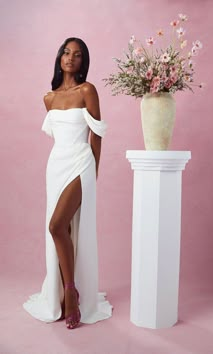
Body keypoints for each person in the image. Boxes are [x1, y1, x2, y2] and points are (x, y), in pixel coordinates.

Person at [23, 37, 112, 329]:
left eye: (77, 54)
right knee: (59, 229)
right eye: (66, 52)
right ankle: (62, 290)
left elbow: (96, 134)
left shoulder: (88, 90)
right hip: (56, 166)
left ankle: (72, 292)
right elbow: (58, 138)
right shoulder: (48, 98)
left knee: (56, 225)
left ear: (83, 61)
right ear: (59, 58)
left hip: (81, 162)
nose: (70, 58)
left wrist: (94, 172)